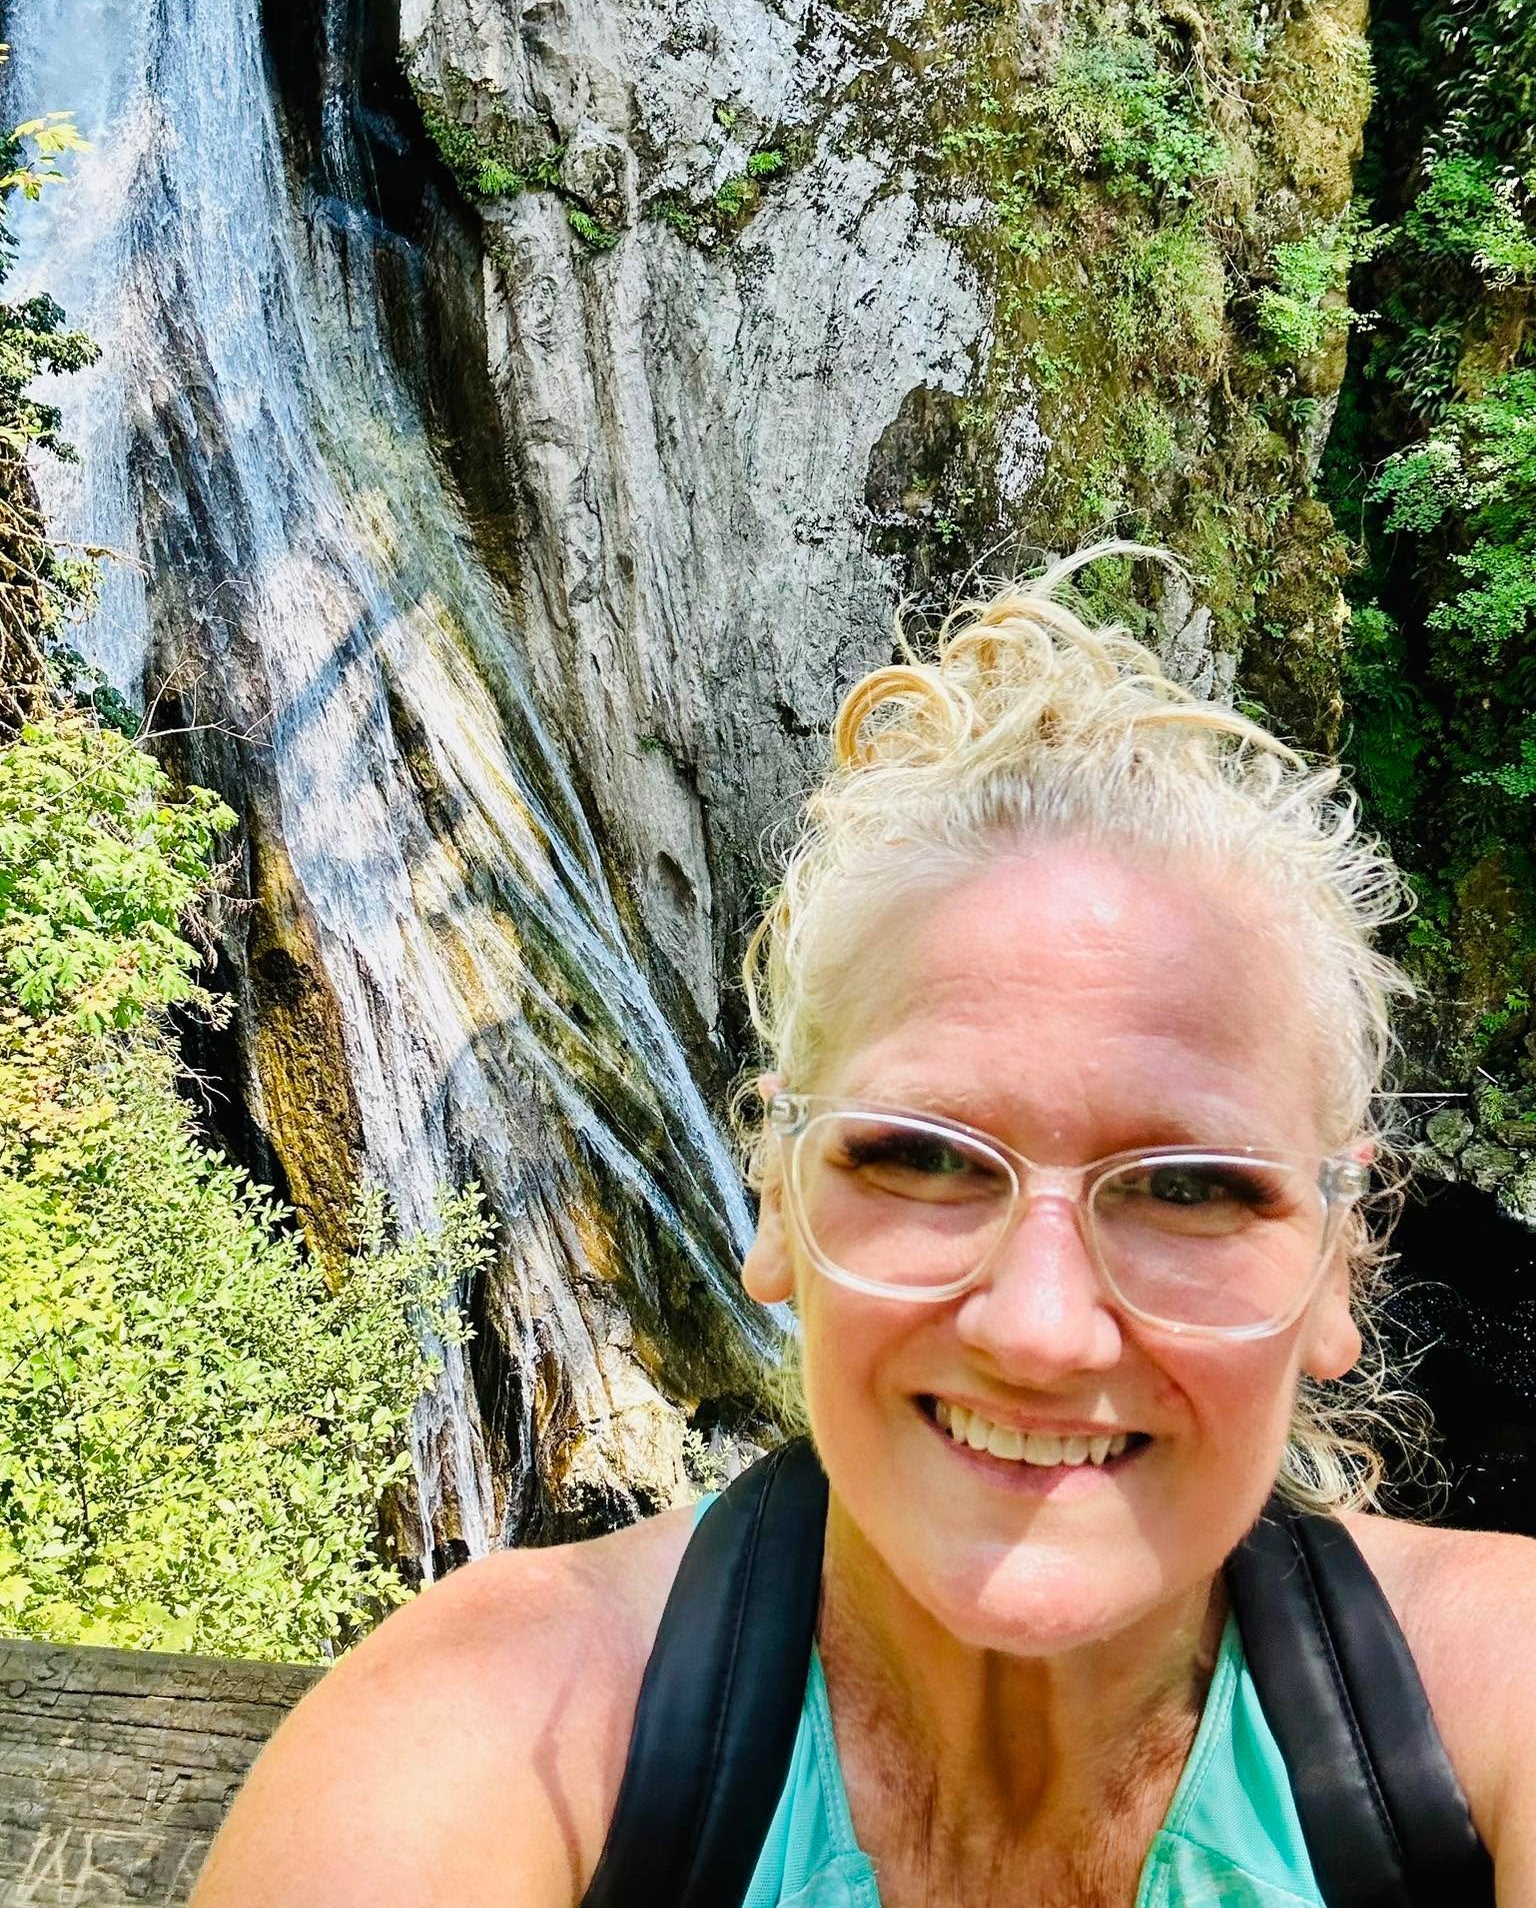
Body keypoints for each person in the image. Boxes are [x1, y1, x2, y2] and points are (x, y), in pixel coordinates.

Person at [190, 549, 1536, 1906]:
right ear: (773, 1195)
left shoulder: (1497, 1702)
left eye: (1190, 1186)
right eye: (923, 1157)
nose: (1041, 1327)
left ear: (1333, 1268)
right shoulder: (486, 1732)